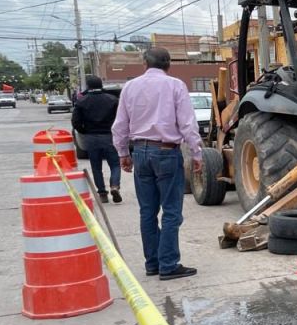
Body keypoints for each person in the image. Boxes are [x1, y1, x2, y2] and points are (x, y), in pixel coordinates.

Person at [111, 47, 203, 281]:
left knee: (147, 212)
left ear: (145, 63)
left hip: (140, 152)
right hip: (166, 152)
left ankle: (152, 263)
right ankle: (168, 264)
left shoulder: (130, 87)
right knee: (171, 212)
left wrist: (123, 152)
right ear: (168, 65)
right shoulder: (175, 85)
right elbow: (187, 123)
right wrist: (197, 153)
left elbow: (120, 124)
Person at [71, 75, 122, 204]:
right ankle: (114, 186)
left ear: (88, 86)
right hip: (109, 136)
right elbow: (120, 119)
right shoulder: (113, 99)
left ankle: (102, 194)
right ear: (101, 85)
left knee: (96, 167)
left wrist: (85, 131)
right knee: (115, 164)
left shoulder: (82, 101)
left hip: (91, 137)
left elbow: (75, 122)